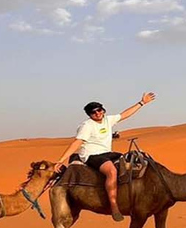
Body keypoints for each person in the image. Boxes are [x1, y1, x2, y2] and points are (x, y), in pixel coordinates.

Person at [54, 92, 156, 221]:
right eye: (93, 112)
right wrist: (61, 160)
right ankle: (114, 206)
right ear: (90, 115)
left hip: (107, 153)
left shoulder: (108, 120)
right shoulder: (87, 126)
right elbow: (77, 142)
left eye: (99, 110)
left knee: (132, 161)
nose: (97, 113)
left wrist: (141, 103)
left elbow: (125, 115)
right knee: (111, 171)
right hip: (92, 155)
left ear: (103, 110)